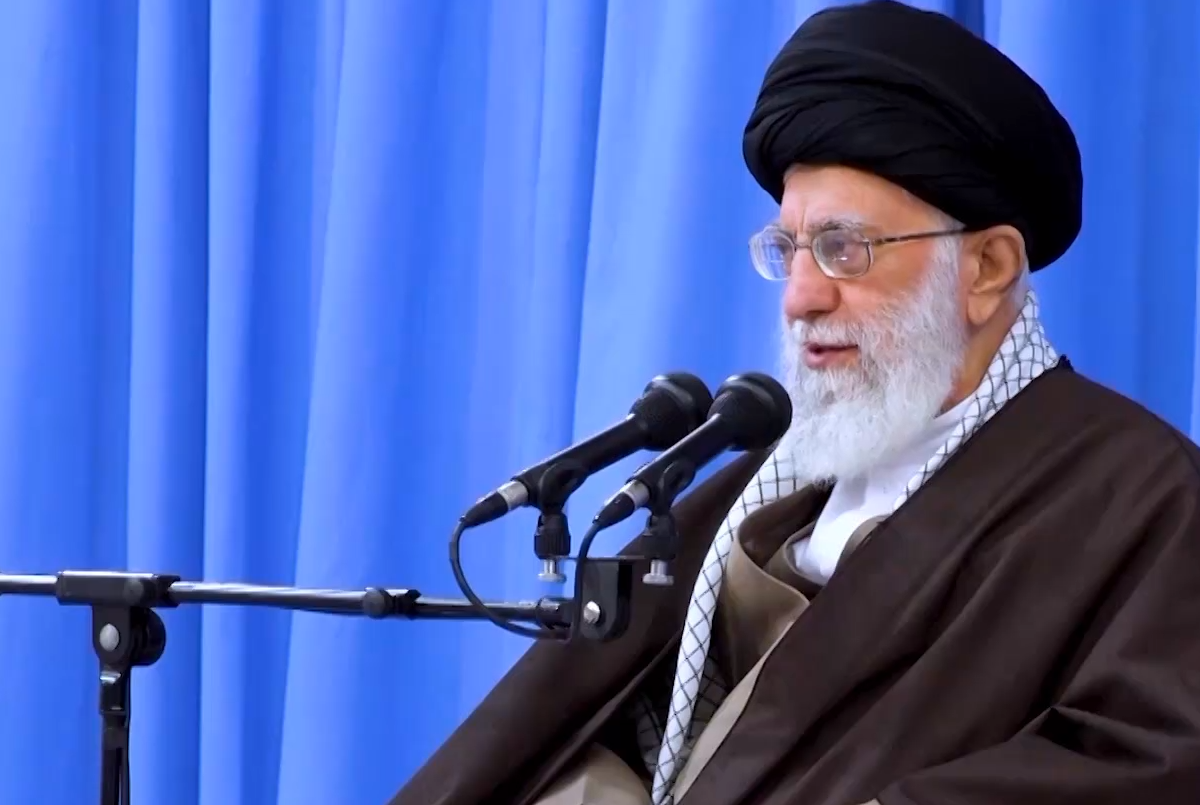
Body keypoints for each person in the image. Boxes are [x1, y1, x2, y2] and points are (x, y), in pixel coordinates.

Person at [387, 2, 1200, 804]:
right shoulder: (765, 485)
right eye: (789, 248)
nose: (801, 296)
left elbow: (1152, 762)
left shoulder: (1141, 499)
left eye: (844, 248)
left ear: (986, 268)